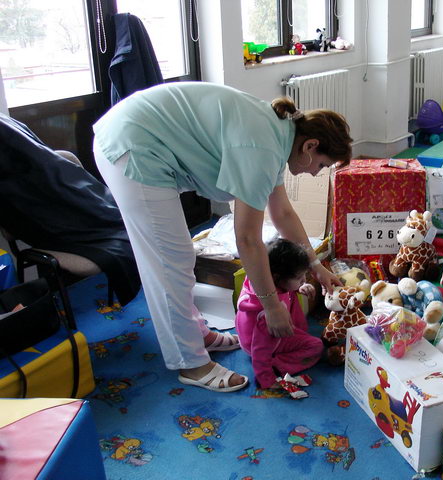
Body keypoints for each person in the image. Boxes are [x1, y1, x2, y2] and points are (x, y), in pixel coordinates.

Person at [92, 82, 351, 393]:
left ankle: (195, 334)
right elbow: (248, 239)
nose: (315, 174)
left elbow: (282, 214)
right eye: (322, 166)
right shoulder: (264, 148)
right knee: (169, 262)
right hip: (132, 146)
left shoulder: (278, 136)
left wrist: (317, 266)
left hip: (139, 135)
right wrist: (271, 306)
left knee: (179, 257)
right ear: (310, 146)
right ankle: (191, 363)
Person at [236, 238, 323, 392]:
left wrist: (298, 287)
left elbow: (285, 288)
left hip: (249, 337)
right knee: (316, 346)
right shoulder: (267, 314)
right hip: (262, 344)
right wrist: (266, 378)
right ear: (276, 277)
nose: (304, 280)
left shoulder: (262, 282)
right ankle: (278, 365)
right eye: (298, 278)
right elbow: (260, 349)